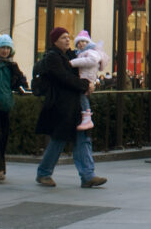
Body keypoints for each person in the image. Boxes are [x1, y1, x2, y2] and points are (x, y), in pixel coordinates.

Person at [35, 27, 107, 188]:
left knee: (83, 138)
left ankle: (88, 175)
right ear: (54, 41)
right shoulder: (53, 57)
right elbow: (64, 77)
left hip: (76, 104)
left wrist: (90, 82)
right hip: (62, 105)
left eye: (68, 37)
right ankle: (44, 173)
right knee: (59, 139)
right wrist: (85, 84)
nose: (67, 40)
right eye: (62, 38)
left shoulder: (72, 55)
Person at [0, 34, 27, 182]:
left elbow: (19, 82)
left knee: (2, 138)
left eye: (8, 48)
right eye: (3, 47)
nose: (5, 51)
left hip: (5, 106)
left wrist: (21, 84)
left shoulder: (10, 65)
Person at [68, 31, 109, 131]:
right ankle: (86, 116)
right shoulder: (82, 53)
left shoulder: (91, 52)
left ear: (88, 42)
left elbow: (91, 61)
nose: (80, 44)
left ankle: (87, 116)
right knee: (81, 96)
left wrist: (72, 63)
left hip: (87, 77)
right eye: (78, 42)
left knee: (82, 96)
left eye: (83, 41)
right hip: (84, 77)